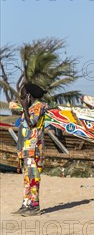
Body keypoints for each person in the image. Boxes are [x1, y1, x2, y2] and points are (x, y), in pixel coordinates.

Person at [13, 83, 48, 216]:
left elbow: (31, 123)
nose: (20, 96)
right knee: (27, 178)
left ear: (29, 95)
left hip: (35, 149)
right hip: (27, 149)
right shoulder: (27, 109)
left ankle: (35, 206)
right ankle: (26, 204)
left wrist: (25, 108)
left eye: (22, 93)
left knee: (34, 178)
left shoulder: (39, 107)